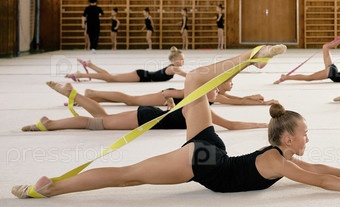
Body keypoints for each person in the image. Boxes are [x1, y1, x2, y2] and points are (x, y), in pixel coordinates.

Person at [12, 45, 340, 199]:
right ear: (288, 139)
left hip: (211, 150)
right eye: (305, 135)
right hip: (203, 162)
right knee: (125, 176)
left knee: (195, 80)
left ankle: (251, 57)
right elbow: (318, 180)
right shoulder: (278, 161)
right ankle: (51, 187)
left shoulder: (281, 157)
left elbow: (317, 169)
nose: (308, 140)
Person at [24, 82, 264, 132]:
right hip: (146, 118)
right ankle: (53, 120)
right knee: (95, 123)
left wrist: (170, 105)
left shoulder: (194, 102)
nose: (218, 94)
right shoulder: (203, 108)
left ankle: (74, 96)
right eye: (215, 91)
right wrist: (261, 124)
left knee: (100, 118)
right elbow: (232, 125)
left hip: (151, 116)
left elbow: (175, 113)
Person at [275, 29, 340, 84]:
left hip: (333, 70)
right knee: (309, 78)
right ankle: (286, 77)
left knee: (326, 47)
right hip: (332, 73)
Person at [80, 79, 277, 107]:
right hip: (167, 96)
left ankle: (90, 98)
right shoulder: (211, 91)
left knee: (130, 101)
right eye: (230, 82)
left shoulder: (215, 92)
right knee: (130, 100)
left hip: (169, 96)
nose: (232, 85)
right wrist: (169, 97)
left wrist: (258, 99)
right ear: (222, 83)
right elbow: (236, 102)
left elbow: (236, 99)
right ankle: (92, 92)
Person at [67, 46, 186, 83]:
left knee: (110, 77)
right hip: (141, 76)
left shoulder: (172, 67)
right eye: (181, 59)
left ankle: (89, 65)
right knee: (111, 79)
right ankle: (80, 75)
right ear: (174, 60)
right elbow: (188, 75)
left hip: (142, 75)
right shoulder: (173, 68)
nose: (183, 61)